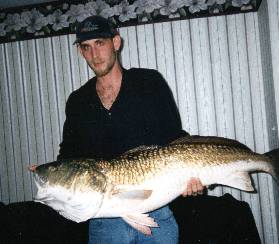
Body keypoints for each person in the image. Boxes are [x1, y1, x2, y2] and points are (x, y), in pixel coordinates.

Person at [57, 15, 204, 244]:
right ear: (80, 52)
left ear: (116, 42)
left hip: (156, 207)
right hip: (104, 217)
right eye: (86, 47)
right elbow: (69, 155)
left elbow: (174, 138)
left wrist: (194, 176)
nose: (94, 55)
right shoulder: (77, 101)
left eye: (100, 43)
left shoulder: (149, 82)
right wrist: (52, 173)